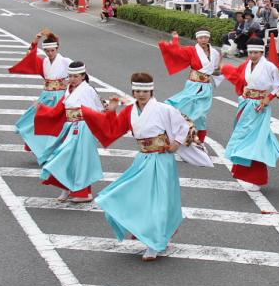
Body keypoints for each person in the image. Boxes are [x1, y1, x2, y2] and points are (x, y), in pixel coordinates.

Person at [80, 72, 212, 261]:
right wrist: (110, 111)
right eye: (137, 90)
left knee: (159, 203)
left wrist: (177, 142)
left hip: (162, 159)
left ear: (151, 91)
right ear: (133, 91)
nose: (141, 94)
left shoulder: (163, 109)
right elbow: (112, 130)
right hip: (143, 159)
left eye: (145, 90)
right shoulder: (129, 111)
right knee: (133, 197)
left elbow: (185, 125)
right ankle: (151, 237)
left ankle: (155, 244)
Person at [221, 38, 279, 190]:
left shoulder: (270, 66)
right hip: (246, 104)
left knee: (256, 141)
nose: (252, 55)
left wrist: (268, 98)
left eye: (256, 52)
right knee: (243, 138)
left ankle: (257, 178)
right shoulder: (246, 65)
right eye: (250, 52)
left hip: (259, 106)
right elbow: (239, 78)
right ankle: (246, 174)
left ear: (261, 52)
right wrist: (223, 68)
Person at [34, 61, 104, 203]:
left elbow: (97, 110)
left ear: (83, 76)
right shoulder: (70, 89)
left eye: (75, 76)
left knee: (79, 160)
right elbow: (61, 108)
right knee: (67, 158)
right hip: (71, 126)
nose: (72, 79)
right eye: (70, 76)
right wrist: (43, 109)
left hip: (84, 128)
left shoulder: (87, 90)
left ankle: (83, 193)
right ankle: (67, 188)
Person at [9, 30, 72, 162]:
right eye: (47, 51)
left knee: (58, 125)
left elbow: (81, 74)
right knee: (34, 120)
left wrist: (69, 81)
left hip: (61, 96)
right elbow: (29, 57)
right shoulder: (44, 62)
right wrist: (35, 41)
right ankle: (45, 149)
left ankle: (57, 151)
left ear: (57, 49)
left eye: (52, 50)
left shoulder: (65, 61)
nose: (50, 53)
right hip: (46, 96)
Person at [158, 28, 222, 142]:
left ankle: (200, 142)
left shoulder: (215, 53)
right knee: (181, 106)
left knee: (201, 115)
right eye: (201, 38)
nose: (203, 40)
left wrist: (223, 71)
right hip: (193, 85)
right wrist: (175, 39)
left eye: (205, 37)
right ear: (197, 38)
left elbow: (216, 70)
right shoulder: (191, 50)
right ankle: (169, 127)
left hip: (206, 87)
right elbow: (176, 52)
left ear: (209, 38)